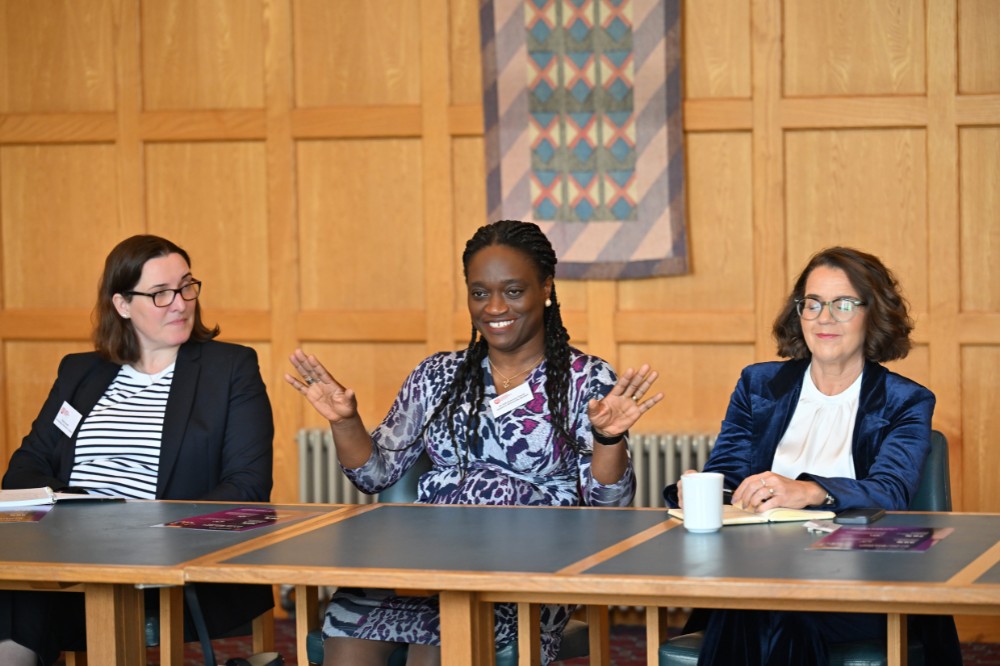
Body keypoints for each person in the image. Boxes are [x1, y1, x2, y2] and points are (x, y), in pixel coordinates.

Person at [286, 219, 664, 666]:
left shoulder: (586, 378)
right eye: (479, 292)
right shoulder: (438, 374)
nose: (494, 307)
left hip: (529, 568)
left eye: (513, 290)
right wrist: (346, 422)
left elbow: (610, 506)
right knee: (349, 628)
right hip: (426, 560)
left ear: (545, 288)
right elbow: (375, 475)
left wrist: (608, 437)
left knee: (440, 642)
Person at [664, 246, 962, 665]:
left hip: (862, 580)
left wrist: (810, 491)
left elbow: (890, 491)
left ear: (872, 313)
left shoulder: (905, 400)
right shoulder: (759, 385)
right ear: (798, 312)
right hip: (760, 570)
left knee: (772, 610)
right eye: (813, 303)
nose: (825, 318)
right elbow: (728, 474)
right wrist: (703, 489)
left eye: (843, 304)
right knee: (760, 602)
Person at [0, 235, 275, 666]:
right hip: (69, 549)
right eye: (160, 294)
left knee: (22, 603)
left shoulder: (230, 369)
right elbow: (25, 466)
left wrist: (150, 529)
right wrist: (76, 514)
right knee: (19, 589)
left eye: (186, 286)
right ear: (122, 305)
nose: (181, 303)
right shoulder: (80, 372)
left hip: (171, 557)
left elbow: (248, 487)